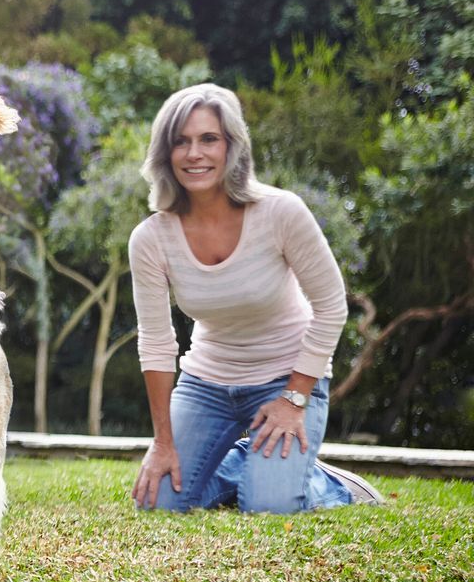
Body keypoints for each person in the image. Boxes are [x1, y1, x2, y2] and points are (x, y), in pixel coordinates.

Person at [128, 83, 382, 512]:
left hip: (286, 377)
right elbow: (155, 342)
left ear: (232, 147)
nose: (194, 154)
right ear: (164, 154)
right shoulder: (151, 238)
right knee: (159, 504)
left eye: (209, 139)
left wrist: (293, 397)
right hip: (206, 384)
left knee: (269, 506)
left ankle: (327, 483)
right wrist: (163, 442)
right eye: (181, 142)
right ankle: (250, 464)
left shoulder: (281, 212)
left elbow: (331, 306)